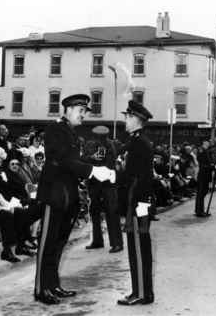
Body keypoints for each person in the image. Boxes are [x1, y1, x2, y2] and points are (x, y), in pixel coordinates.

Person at [34, 94, 113, 305]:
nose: (83, 116)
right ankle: (41, 288)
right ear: (68, 109)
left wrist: (94, 164)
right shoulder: (54, 129)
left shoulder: (71, 133)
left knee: (59, 242)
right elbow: (63, 159)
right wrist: (92, 170)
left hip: (67, 195)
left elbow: (73, 162)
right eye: (81, 111)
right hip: (54, 195)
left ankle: (53, 284)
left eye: (85, 112)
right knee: (47, 242)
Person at [115, 100, 154, 306]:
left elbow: (136, 177)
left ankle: (140, 292)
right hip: (140, 202)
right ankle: (143, 291)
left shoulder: (139, 143)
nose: (125, 120)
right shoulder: (138, 141)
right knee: (140, 246)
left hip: (139, 202)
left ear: (136, 119)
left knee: (138, 247)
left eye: (127, 117)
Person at [85, 125, 123, 253]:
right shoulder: (89, 145)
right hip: (94, 183)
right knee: (94, 212)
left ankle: (116, 243)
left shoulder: (111, 145)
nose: (99, 140)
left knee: (111, 212)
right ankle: (97, 240)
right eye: (97, 138)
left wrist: (100, 160)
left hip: (107, 183)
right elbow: (83, 160)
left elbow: (111, 162)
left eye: (101, 138)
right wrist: (91, 158)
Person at [195, 140, 213, 217]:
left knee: (202, 192)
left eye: (208, 143)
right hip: (203, 174)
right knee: (201, 193)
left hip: (205, 174)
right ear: (203, 144)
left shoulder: (206, 151)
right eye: (206, 143)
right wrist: (210, 166)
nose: (208, 144)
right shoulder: (202, 150)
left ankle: (199, 210)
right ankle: (199, 211)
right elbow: (202, 162)